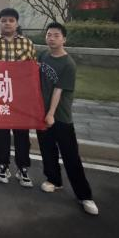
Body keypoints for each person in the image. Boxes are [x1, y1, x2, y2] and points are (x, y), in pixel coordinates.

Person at [36, 22, 98, 215]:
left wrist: (51, 114)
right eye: (49, 35)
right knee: (47, 150)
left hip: (60, 116)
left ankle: (84, 196)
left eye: (56, 35)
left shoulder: (68, 64)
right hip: (41, 114)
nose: (51, 38)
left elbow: (58, 90)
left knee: (70, 155)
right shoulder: (43, 56)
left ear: (64, 39)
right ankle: (54, 180)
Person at [0, 8, 36, 188]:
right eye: (4, 20)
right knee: (1, 134)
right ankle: (3, 166)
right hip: (0, 96)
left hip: (21, 98)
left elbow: (33, 70)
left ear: (16, 23)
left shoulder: (27, 44)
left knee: (22, 135)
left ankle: (23, 168)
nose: (7, 23)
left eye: (11, 20)